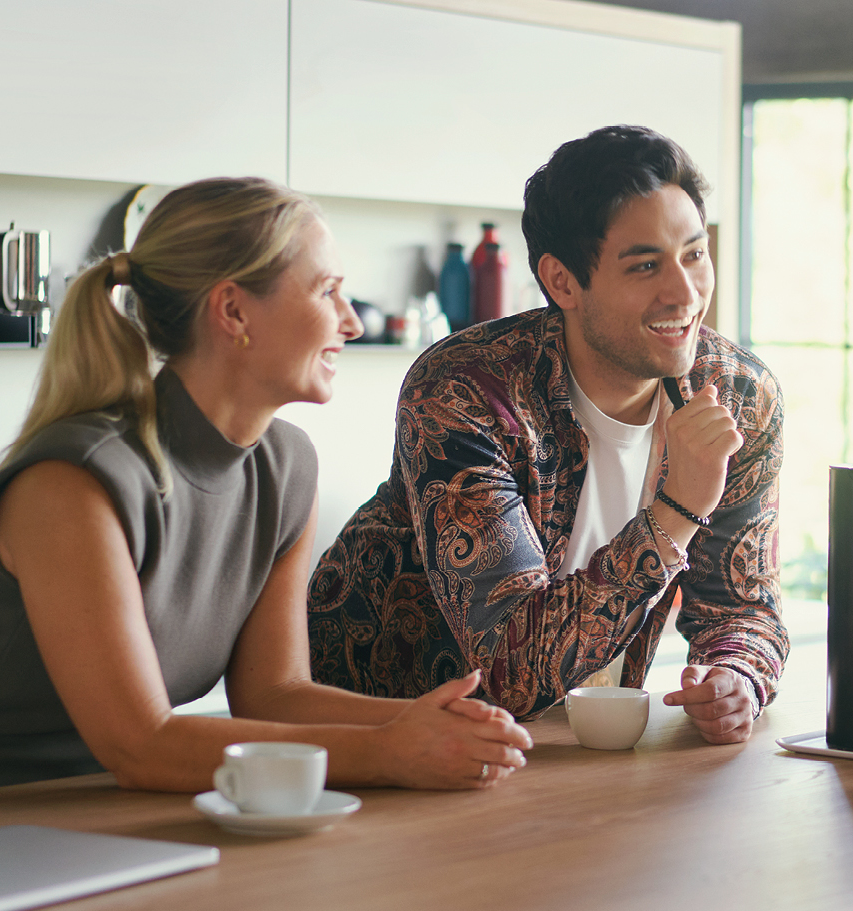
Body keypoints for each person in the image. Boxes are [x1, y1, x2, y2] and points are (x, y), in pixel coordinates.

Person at [0, 178, 533, 808]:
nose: (350, 321)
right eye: (327, 291)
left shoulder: (287, 468)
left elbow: (273, 695)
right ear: (233, 311)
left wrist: (424, 722)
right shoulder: (74, 482)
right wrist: (384, 752)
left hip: (82, 814)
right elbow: (140, 745)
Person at [307, 126, 786, 741]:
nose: (686, 292)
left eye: (694, 254)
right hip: (377, 740)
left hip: (563, 746)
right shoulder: (468, 390)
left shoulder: (740, 396)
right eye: (645, 266)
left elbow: (743, 606)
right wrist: (678, 510)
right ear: (562, 282)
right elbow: (509, 671)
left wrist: (735, 677)